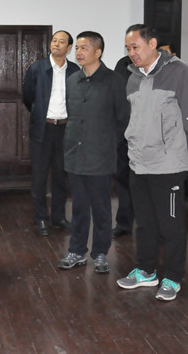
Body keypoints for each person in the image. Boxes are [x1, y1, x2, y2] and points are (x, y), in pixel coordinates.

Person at [116, 24, 188, 301]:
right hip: (138, 163)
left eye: (136, 47)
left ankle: (173, 277)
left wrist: (176, 152)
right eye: (128, 48)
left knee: (171, 225)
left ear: (152, 43)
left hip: (168, 166)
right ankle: (146, 271)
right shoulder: (132, 78)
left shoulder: (179, 72)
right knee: (144, 223)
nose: (131, 53)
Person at [57, 32, 129, 273]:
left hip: (101, 155)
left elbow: (123, 119)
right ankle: (76, 251)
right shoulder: (72, 80)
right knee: (78, 207)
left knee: (101, 208)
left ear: (98, 52)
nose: (78, 52)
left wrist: (107, 144)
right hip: (75, 154)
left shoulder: (114, 81)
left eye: (84, 48)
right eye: (77, 48)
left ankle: (100, 253)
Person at [23, 30, 80, 235]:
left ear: (69, 48)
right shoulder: (37, 68)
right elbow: (28, 97)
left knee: (60, 176)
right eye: (54, 40)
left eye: (61, 41)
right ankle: (40, 218)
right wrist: (40, 113)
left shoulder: (75, 71)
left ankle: (58, 217)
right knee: (39, 177)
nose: (56, 44)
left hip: (65, 129)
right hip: (43, 128)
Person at [112, 54, 134, 237]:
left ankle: (152, 226)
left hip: (148, 139)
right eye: (129, 47)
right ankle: (124, 223)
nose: (132, 50)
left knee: (148, 185)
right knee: (123, 182)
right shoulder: (122, 64)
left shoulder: (156, 67)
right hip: (124, 138)